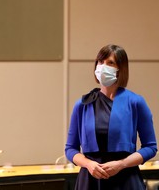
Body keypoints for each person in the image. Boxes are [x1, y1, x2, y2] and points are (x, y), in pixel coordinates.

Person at [65, 44, 157, 190]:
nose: (103, 66)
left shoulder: (135, 102)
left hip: (126, 178)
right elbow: (70, 149)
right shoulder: (83, 104)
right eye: (100, 62)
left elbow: (150, 147)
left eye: (110, 63)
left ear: (121, 68)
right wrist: (88, 164)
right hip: (90, 179)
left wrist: (121, 164)